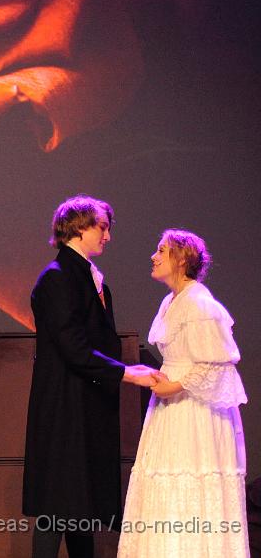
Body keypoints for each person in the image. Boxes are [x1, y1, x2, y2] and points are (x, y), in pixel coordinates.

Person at [23, 195, 160, 558]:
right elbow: (74, 348)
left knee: (79, 507)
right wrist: (128, 373)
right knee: (57, 508)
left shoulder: (89, 277)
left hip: (85, 406)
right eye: (103, 227)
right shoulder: (57, 278)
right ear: (80, 227)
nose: (108, 237)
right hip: (65, 410)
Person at [118, 229, 249, 557]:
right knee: (163, 483)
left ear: (181, 259)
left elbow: (216, 365)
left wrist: (174, 385)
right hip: (169, 407)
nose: (154, 255)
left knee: (188, 480)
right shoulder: (171, 301)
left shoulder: (199, 303)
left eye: (161, 250)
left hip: (193, 409)